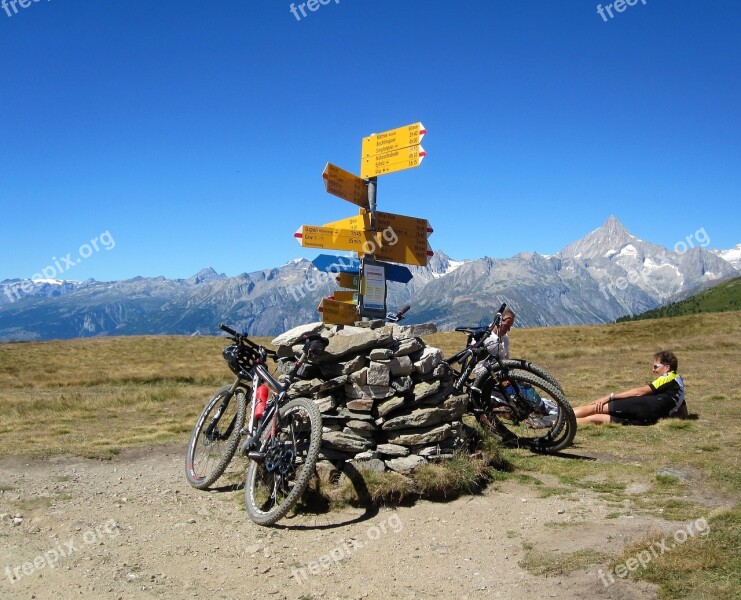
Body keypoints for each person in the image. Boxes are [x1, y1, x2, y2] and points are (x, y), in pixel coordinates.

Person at [574, 350, 686, 425]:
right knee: (595, 418)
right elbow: (683, 414)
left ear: (667, 368)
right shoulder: (679, 386)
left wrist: (611, 396)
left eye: (656, 366)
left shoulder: (669, 377)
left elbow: (640, 392)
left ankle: (560, 415)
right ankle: (561, 424)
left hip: (642, 406)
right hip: (649, 420)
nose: (653, 370)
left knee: (596, 407)